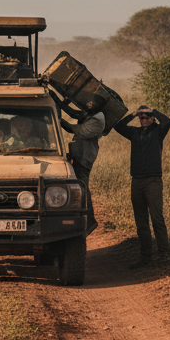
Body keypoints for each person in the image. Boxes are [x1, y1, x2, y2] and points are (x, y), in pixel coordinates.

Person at [114, 104, 170, 267]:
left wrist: (154, 111)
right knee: (141, 222)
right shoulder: (135, 133)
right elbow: (118, 126)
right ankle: (146, 256)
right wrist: (133, 113)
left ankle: (164, 254)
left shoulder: (158, 132)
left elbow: (167, 122)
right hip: (136, 181)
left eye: (147, 116)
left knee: (157, 218)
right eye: (142, 117)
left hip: (153, 181)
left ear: (153, 118)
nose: (144, 119)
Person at [59, 93, 106, 234]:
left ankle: (90, 220)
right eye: (89, 102)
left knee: (82, 187)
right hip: (80, 155)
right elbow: (75, 114)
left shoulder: (98, 120)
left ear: (97, 106)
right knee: (78, 185)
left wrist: (58, 120)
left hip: (85, 158)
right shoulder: (91, 114)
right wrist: (60, 102)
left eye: (91, 103)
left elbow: (74, 129)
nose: (88, 105)